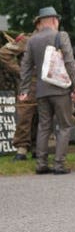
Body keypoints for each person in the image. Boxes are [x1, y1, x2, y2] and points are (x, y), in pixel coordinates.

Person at [18, 6, 75, 174]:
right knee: (65, 126)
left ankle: (41, 164)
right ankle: (59, 165)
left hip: (41, 91)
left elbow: (26, 67)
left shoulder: (32, 40)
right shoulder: (61, 36)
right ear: (54, 20)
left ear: (41, 22)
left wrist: (24, 89)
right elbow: (69, 62)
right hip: (60, 90)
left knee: (44, 127)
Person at [0, 31, 36, 160]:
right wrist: (20, 72)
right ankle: (22, 150)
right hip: (29, 84)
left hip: (45, 84)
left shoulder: (52, 39)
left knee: (43, 117)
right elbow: (4, 53)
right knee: (24, 117)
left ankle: (38, 149)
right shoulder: (26, 39)